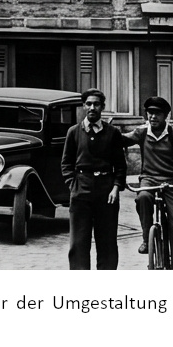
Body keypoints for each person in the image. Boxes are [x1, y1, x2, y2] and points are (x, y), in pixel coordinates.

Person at [121, 96, 173, 269]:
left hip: (172, 182)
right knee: (143, 197)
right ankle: (146, 237)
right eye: (150, 113)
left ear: (166, 116)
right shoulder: (141, 132)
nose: (153, 117)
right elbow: (123, 140)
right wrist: (108, 132)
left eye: (157, 113)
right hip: (149, 178)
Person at [60, 88, 127, 270]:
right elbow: (66, 164)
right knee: (79, 242)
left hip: (106, 192)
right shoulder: (74, 132)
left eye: (96, 104)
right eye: (88, 104)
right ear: (83, 106)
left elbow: (120, 166)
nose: (92, 107)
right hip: (81, 190)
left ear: (102, 107)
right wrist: (73, 185)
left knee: (107, 241)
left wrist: (115, 187)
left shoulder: (112, 133)